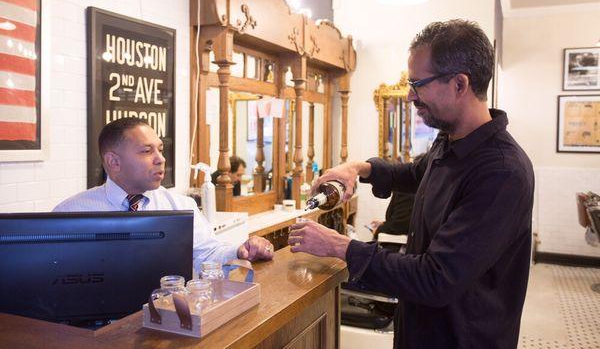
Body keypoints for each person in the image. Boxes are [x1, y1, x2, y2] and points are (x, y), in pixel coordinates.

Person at [288, 20, 534, 349]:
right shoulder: (449, 142)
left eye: (418, 84)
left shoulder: (502, 173)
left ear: (460, 84)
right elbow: (414, 174)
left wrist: (340, 247)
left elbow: (437, 278)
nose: (409, 96)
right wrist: (357, 168)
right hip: (420, 331)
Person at [53, 118, 273, 272]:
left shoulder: (180, 207)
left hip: (166, 321)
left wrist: (241, 250)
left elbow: (207, 254)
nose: (160, 159)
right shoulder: (70, 214)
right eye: (147, 151)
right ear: (113, 161)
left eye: (160, 149)